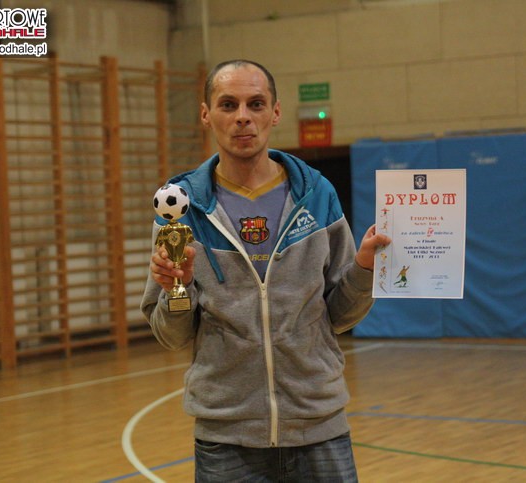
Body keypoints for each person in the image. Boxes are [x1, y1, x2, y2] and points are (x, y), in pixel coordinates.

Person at [141, 59, 391, 482]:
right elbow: (173, 335)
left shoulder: (317, 194)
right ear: (206, 114)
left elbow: (341, 316)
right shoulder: (180, 208)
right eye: (228, 104)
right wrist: (178, 290)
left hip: (319, 425)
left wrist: (364, 267)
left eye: (255, 104)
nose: (243, 116)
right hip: (226, 437)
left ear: (275, 113)